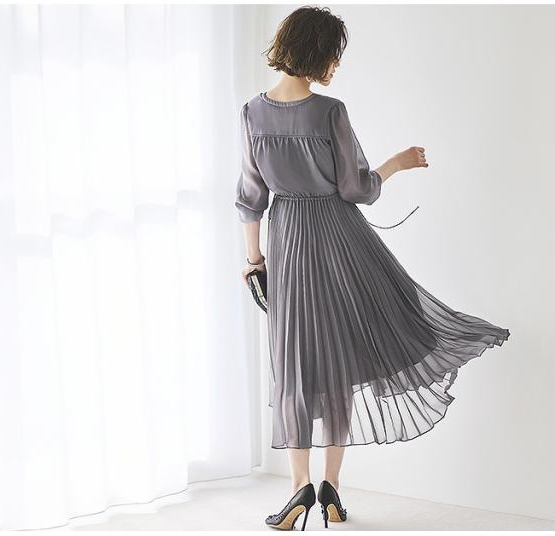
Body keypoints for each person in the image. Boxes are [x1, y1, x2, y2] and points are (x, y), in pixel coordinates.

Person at [234, 6, 511, 531]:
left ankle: (299, 489)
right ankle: (332, 491)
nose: (337, 64)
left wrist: (254, 262)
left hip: (286, 242)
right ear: (317, 52)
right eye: (334, 54)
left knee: (293, 364)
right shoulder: (329, 111)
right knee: (340, 359)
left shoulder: (252, 113)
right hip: (340, 242)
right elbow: (356, 189)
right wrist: (396, 164)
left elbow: (250, 197)